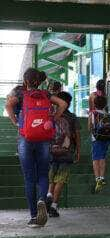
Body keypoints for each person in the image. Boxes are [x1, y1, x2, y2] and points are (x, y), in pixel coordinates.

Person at [5, 68, 67, 228]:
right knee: (43, 174)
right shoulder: (45, 94)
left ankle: (34, 216)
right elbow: (63, 103)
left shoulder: (20, 93)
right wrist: (53, 118)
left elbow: (9, 106)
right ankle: (42, 199)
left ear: (25, 81)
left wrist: (16, 122)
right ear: (38, 81)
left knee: (29, 178)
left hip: (25, 139)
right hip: (44, 139)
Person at [47, 91, 81, 217]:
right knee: (60, 180)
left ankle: (48, 196)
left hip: (51, 151)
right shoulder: (72, 117)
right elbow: (77, 136)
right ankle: (54, 207)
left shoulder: (50, 116)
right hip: (66, 153)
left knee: (51, 178)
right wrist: (78, 151)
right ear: (69, 103)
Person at [88, 96, 110, 193]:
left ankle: (97, 178)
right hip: (107, 138)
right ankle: (102, 177)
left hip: (96, 138)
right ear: (105, 104)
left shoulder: (93, 113)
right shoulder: (107, 114)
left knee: (95, 159)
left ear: (94, 104)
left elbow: (89, 127)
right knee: (102, 157)